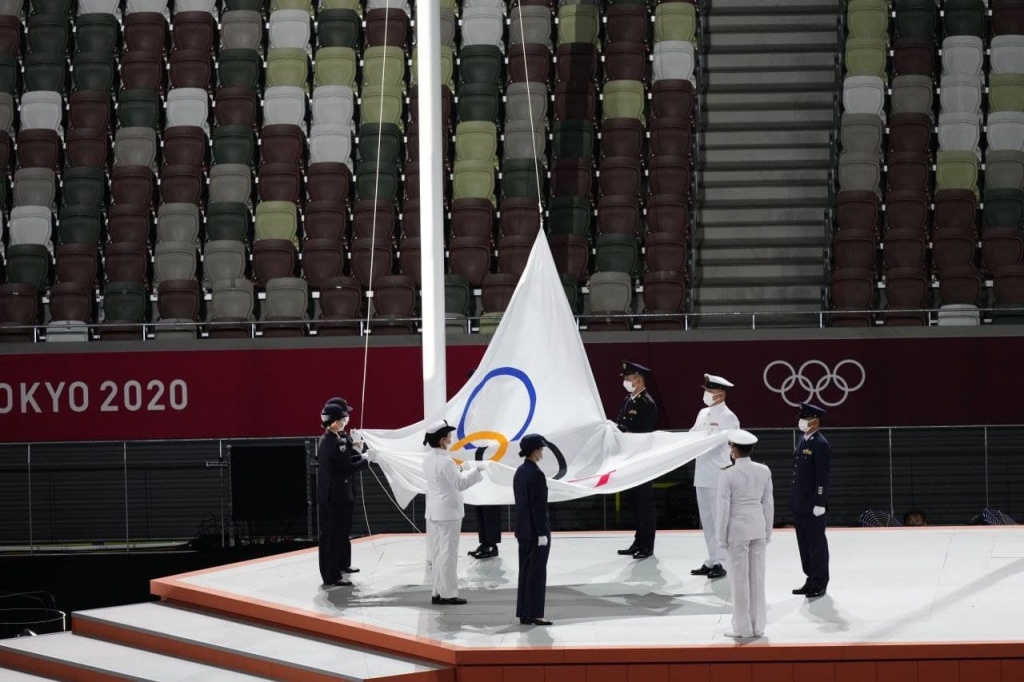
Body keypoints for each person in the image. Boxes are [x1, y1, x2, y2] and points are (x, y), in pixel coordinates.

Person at [716, 429, 774, 639]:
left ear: (733, 451)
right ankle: (758, 626)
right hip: (758, 527)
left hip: (737, 531)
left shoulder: (727, 474)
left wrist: (720, 537)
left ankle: (742, 627)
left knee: (739, 581)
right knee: (757, 578)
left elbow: (723, 508)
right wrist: (767, 531)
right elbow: (768, 503)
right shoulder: (763, 470)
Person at [422, 420, 485, 605]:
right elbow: (460, 484)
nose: (451, 437)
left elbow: (444, 477)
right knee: (448, 554)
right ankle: (449, 594)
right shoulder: (445, 460)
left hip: (434, 511)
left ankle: (437, 592)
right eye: (448, 434)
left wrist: (460, 469)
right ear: (442, 440)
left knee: (438, 554)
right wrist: (476, 471)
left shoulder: (429, 458)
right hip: (448, 512)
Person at [317, 399, 372, 588]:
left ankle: (337, 567)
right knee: (333, 535)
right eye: (342, 418)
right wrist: (367, 460)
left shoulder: (330, 440)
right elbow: (347, 467)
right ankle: (331, 575)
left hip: (336, 493)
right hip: (336, 495)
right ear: (335, 421)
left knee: (337, 533)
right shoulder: (335, 443)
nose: (345, 421)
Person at [690, 374, 740, 580]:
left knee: (720, 520)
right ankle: (712, 558)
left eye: (710, 391)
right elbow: (692, 435)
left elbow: (734, 444)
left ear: (720, 394)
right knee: (708, 520)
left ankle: (722, 561)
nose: (706, 394)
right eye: (706, 390)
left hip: (718, 474)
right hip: (701, 473)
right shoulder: (703, 413)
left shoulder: (729, 416)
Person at [614, 361, 659, 559]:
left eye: (627, 378)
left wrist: (622, 431)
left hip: (641, 460)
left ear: (638, 380)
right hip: (627, 459)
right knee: (633, 502)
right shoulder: (628, 400)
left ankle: (647, 545)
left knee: (644, 503)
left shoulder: (647, 403)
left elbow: (642, 433)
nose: (625, 381)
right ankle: (638, 540)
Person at [791, 403, 831, 599]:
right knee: (804, 544)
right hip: (800, 503)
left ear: (815, 420)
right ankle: (810, 577)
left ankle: (820, 581)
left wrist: (820, 502)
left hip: (813, 504)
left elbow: (821, 477)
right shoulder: (802, 440)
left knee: (816, 545)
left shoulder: (820, 443)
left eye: (806, 418)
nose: (802, 421)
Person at [514, 433, 553, 626]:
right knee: (536, 573)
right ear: (534, 450)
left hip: (523, 530)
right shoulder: (536, 474)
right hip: (535, 532)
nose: (542, 451)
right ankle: (536, 613)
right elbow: (537, 507)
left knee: (525, 571)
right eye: (540, 448)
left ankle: (524, 612)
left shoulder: (520, 471)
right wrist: (541, 533)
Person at [464, 368, 503, 560]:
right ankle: (484, 541)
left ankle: (492, 543)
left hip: (490, 457)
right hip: (476, 456)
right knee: (480, 502)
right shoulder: (470, 404)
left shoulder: (491, 405)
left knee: (489, 503)